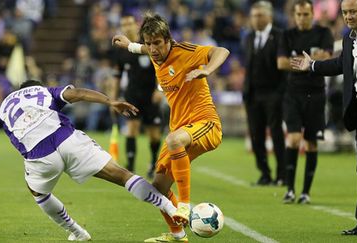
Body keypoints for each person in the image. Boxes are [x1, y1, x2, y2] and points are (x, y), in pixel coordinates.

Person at [0, 80, 177, 241]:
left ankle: (76, 231)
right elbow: (78, 93)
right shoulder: (45, 91)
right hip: (68, 140)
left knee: (38, 193)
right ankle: (172, 209)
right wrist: (110, 101)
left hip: (39, 156)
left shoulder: (4, 107)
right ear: (37, 88)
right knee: (122, 175)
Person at [113, 12, 230, 242]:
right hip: (181, 128)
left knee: (173, 140)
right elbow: (144, 49)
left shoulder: (185, 52)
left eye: (157, 43)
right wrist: (130, 46)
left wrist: (207, 70)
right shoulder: (155, 54)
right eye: (149, 43)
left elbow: (222, 51)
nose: (153, 48)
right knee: (156, 188)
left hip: (206, 124)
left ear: (168, 40)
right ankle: (178, 235)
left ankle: (185, 205)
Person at [291, 0, 357, 237]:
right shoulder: (349, 38)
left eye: (352, 11)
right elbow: (342, 64)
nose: (348, 16)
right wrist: (313, 66)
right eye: (344, 12)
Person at [277, 0, 333, 204]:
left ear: (312, 15)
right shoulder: (287, 34)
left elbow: (327, 57)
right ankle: (290, 189)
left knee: (310, 144)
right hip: (293, 94)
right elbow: (281, 62)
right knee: (292, 139)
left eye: (306, 14)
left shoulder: (323, 32)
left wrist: (300, 59)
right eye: (299, 14)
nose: (302, 18)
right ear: (294, 15)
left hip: (316, 94)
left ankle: (305, 192)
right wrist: (309, 62)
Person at [112, 14, 163, 179]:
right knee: (131, 129)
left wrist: (159, 90)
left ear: (136, 24)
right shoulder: (121, 50)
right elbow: (117, 76)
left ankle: (154, 164)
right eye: (123, 24)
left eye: (129, 23)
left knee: (154, 134)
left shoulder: (147, 43)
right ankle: (131, 167)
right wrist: (113, 99)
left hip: (151, 95)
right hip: (132, 95)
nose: (127, 27)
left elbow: (161, 66)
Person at [242, 1, 286, 186]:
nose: (256, 19)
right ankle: (264, 173)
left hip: (273, 93)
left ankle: (282, 175)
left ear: (269, 16)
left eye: (259, 15)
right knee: (256, 135)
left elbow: (283, 68)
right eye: (253, 15)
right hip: (253, 94)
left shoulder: (280, 36)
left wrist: (281, 93)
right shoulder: (249, 37)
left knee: (276, 134)